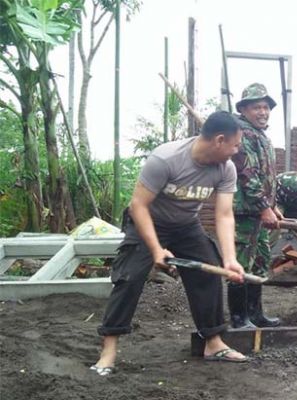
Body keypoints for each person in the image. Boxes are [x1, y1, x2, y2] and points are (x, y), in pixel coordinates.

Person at [92, 111, 249, 375]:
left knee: (210, 269)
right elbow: (138, 206)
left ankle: (213, 342)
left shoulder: (226, 168)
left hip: (186, 225)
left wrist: (230, 258)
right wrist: (155, 250)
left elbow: (223, 215)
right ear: (219, 140)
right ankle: (108, 351)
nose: (236, 151)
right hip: (148, 222)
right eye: (235, 145)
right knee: (129, 278)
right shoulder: (166, 159)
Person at [228, 83, 282, 329]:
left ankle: (255, 314)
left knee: (260, 261)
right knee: (241, 262)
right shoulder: (243, 134)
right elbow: (247, 174)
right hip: (245, 213)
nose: (263, 112)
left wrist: (273, 205)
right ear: (244, 110)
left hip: (259, 211)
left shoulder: (261, 136)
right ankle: (239, 319)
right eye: (256, 107)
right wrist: (263, 206)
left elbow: (267, 175)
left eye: (266, 107)